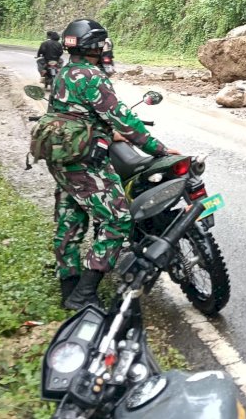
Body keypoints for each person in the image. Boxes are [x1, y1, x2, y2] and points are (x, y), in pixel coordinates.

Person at [47, 18, 177, 310]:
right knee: (117, 219)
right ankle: (84, 295)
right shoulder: (92, 76)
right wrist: (158, 148)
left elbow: (72, 114)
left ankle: (68, 288)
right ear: (96, 46)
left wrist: (104, 130)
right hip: (84, 161)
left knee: (70, 219)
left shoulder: (63, 73)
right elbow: (124, 119)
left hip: (60, 157)